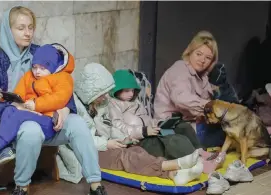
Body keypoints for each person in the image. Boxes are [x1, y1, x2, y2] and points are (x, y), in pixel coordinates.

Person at [0, 6, 115, 195]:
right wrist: (14, 106)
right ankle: (21, 189)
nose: (28, 33)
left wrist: (66, 109)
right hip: (13, 127)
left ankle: (96, 187)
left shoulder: (41, 54)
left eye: (30, 27)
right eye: (21, 28)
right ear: (8, 30)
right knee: (30, 130)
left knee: (77, 124)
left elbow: (62, 88)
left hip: (50, 120)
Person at [57, 63, 204, 186]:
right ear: (91, 93)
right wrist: (107, 144)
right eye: (101, 94)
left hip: (106, 143)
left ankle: (174, 174)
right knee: (125, 158)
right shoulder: (76, 110)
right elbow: (81, 139)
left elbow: (110, 127)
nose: (105, 97)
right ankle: (176, 165)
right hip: (89, 151)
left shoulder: (100, 105)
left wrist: (123, 139)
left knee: (136, 151)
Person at [0, 44, 74, 164]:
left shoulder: (63, 78)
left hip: (48, 120)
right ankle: (7, 148)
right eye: (35, 67)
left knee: (18, 115)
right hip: (30, 112)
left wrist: (36, 105)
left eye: (42, 68)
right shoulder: (29, 76)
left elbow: (58, 99)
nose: (37, 72)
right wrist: (3, 96)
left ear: (52, 67)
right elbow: (18, 95)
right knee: (9, 110)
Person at [108, 69, 207, 160]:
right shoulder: (113, 104)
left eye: (133, 90)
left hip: (150, 132)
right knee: (173, 140)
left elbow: (147, 119)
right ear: (117, 90)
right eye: (126, 91)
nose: (131, 94)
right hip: (139, 141)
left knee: (183, 127)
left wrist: (160, 123)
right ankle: (196, 160)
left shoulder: (136, 101)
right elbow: (118, 126)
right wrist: (143, 131)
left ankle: (200, 152)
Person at [153, 31, 226, 149]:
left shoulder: (202, 76)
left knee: (231, 128)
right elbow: (181, 99)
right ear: (190, 52)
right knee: (227, 134)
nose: (202, 60)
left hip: (192, 125)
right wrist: (212, 106)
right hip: (172, 129)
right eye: (199, 54)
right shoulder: (180, 69)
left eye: (208, 58)